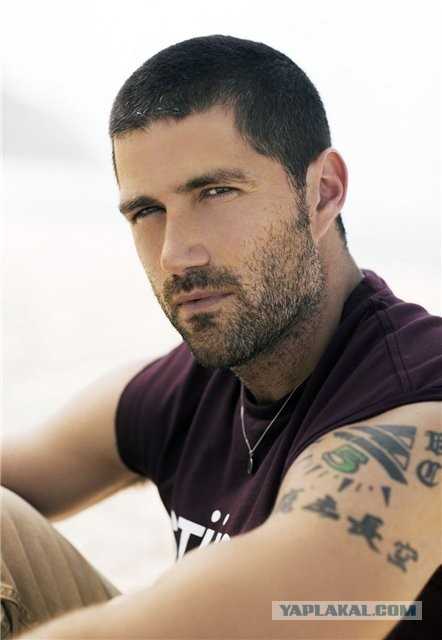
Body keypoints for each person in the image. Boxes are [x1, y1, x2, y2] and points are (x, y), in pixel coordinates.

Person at [2, 34, 441, 640]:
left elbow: (283, 615)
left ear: (323, 192)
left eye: (215, 192)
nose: (175, 254)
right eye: (146, 211)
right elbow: (18, 474)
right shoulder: (199, 381)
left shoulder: (417, 408)